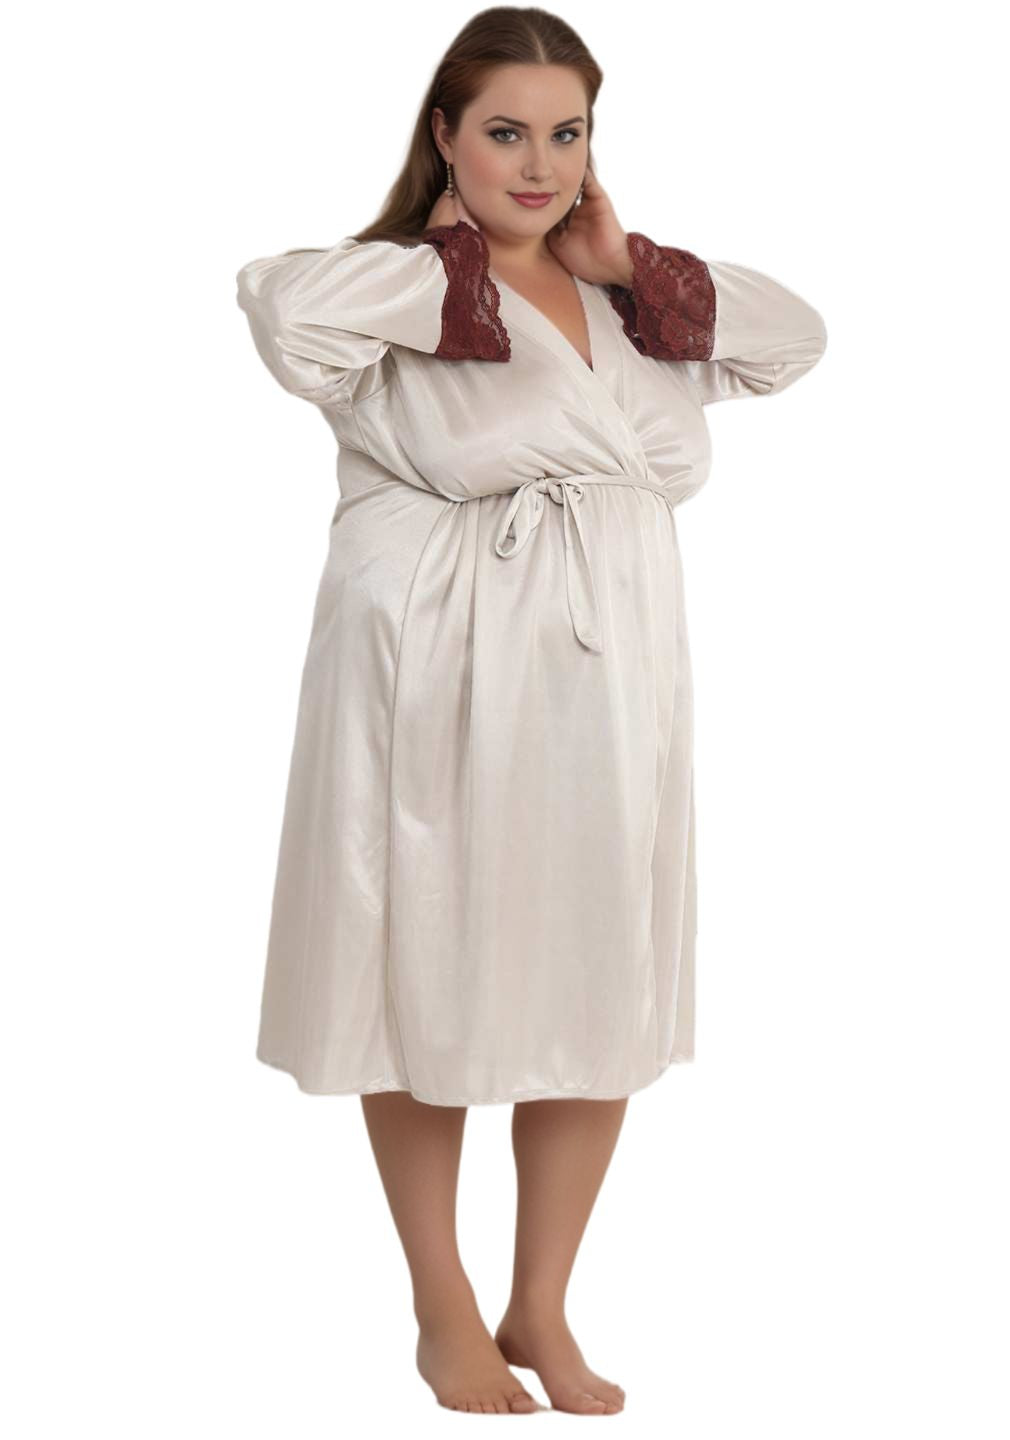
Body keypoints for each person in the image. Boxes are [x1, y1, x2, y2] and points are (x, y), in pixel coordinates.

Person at [235, 5, 826, 1417]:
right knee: (420, 950)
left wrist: (627, 263)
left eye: (568, 133)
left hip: (613, 664)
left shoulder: (629, 303)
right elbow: (280, 306)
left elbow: (798, 340)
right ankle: (441, 1304)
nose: (541, 164)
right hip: (440, 647)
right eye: (506, 131)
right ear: (444, 134)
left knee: (598, 968)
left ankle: (541, 1304)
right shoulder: (400, 291)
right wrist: (452, 257)